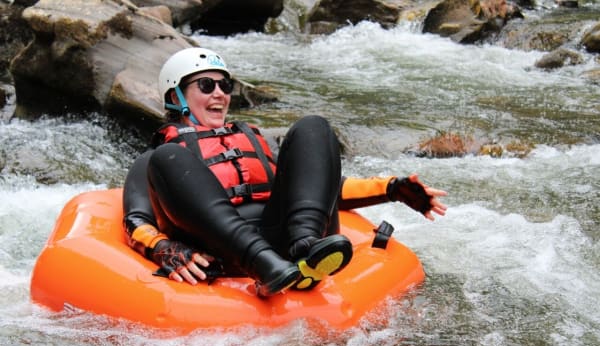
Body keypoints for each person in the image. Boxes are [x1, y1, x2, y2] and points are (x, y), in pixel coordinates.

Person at [122, 47, 447, 298]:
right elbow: (135, 220)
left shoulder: (251, 138)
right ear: (175, 96)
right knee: (169, 157)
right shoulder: (158, 157)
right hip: (222, 254)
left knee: (313, 127)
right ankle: (266, 265)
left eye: (225, 85)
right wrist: (163, 248)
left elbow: (318, 188)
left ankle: (305, 250)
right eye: (206, 85)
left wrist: (392, 188)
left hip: (285, 243)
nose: (220, 93)